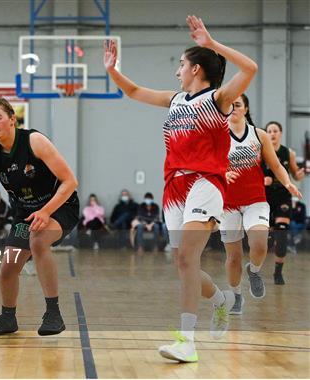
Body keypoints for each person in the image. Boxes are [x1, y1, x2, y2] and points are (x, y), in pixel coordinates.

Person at [105, 15, 258, 362]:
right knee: (182, 263)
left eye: (181, 64)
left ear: (197, 69)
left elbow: (250, 68)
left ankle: (186, 341)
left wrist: (212, 44)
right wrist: (112, 69)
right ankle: (220, 299)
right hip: (174, 187)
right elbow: (132, 91)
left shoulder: (219, 100)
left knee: (189, 258)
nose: (177, 70)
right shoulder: (175, 100)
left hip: (206, 183)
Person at [0, 97, 79, 337]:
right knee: (8, 267)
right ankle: (7, 318)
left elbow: (70, 181)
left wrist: (45, 211)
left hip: (60, 207)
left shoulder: (34, 141)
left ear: (12, 119)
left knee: (38, 240)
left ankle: (53, 313)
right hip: (25, 214)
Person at [221, 95, 301, 315]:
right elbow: (206, 165)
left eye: (237, 104)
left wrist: (287, 182)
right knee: (233, 256)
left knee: (259, 245)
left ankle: (254, 271)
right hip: (227, 204)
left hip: (255, 200)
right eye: (229, 104)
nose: (232, 108)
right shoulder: (217, 135)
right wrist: (221, 172)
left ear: (246, 108)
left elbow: (275, 165)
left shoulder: (259, 135)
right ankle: (236, 295)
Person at [262, 121, 306, 284]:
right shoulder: (260, 152)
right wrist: (262, 179)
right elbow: (251, 175)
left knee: (281, 235)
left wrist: (300, 174)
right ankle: (255, 270)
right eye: (269, 131)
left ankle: (278, 273)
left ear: (280, 133)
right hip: (263, 198)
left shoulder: (289, 153)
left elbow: (295, 175)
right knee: (264, 240)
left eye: (275, 131)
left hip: (282, 197)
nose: (272, 134)